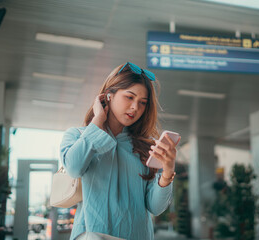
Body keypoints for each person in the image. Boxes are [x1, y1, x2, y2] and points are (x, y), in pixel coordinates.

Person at [60, 62, 180, 240]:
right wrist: (97, 122)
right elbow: (74, 168)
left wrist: (167, 171)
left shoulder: (148, 147)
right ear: (108, 95)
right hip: (92, 235)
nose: (135, 107)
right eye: (129, 97)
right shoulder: (78, 136)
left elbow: (155, 207)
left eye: (142, 103)